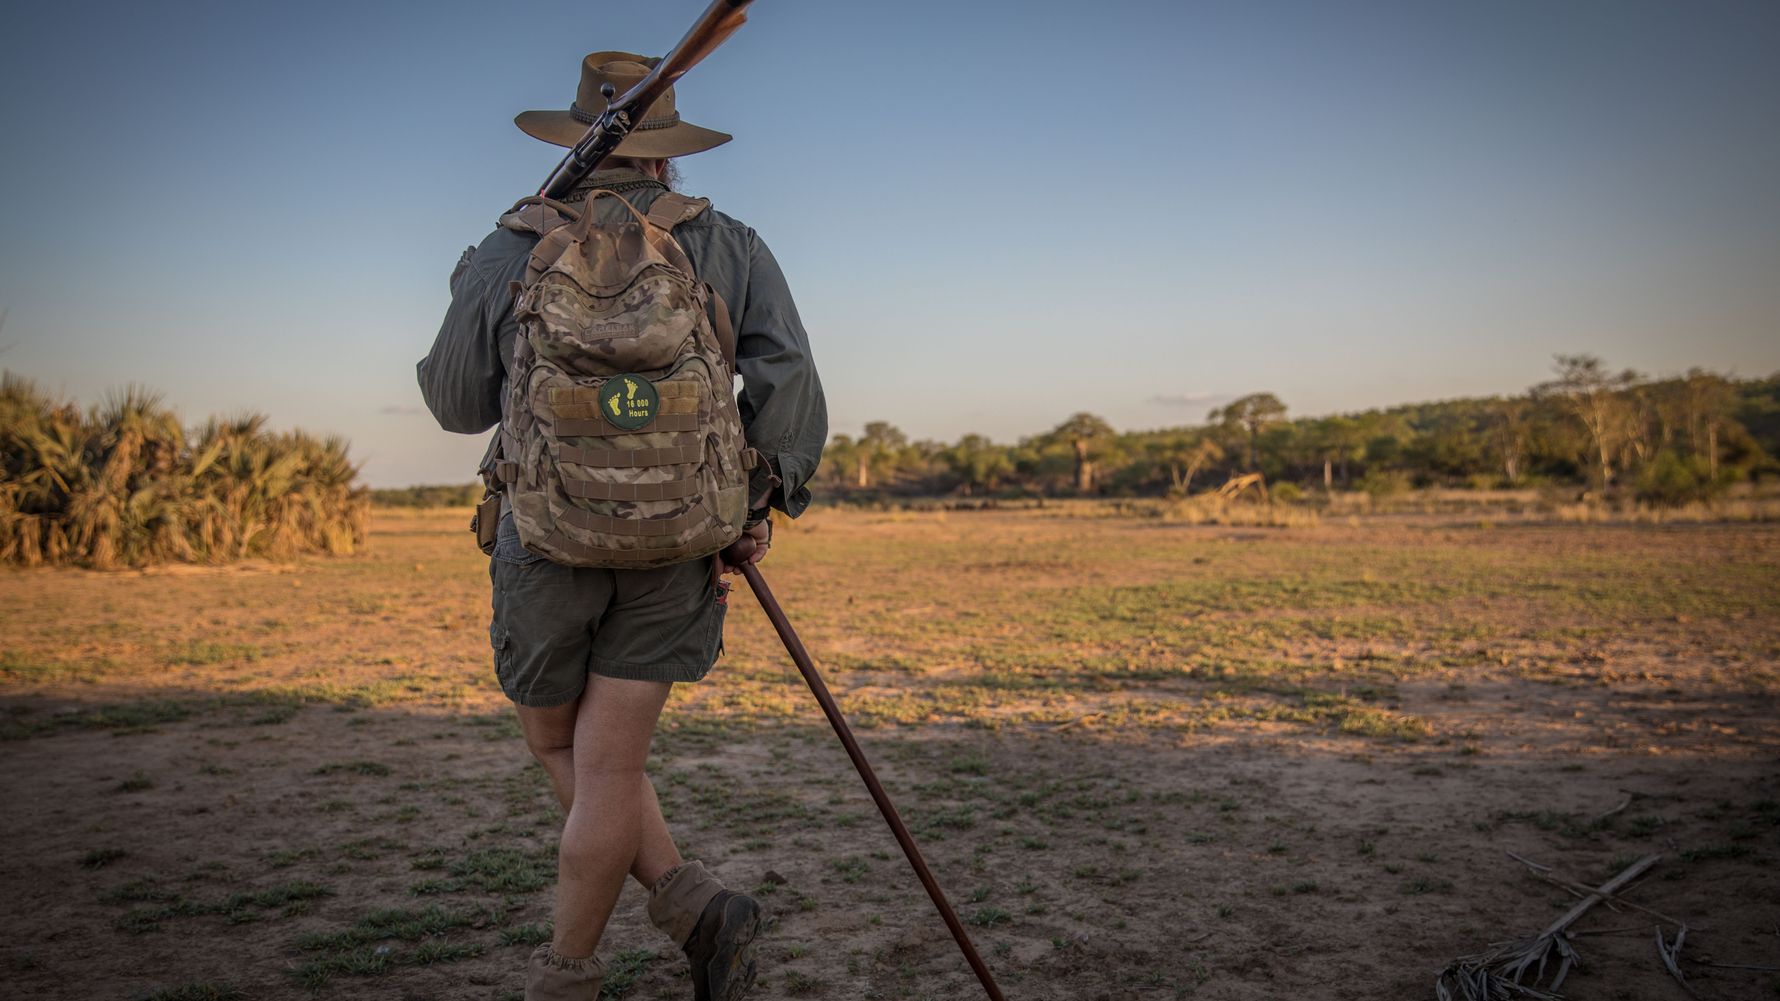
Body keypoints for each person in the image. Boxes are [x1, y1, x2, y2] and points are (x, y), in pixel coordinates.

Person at [417, 51, 827, 1001]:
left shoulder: (511, 244)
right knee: (608, 764)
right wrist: (756, 502)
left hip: (542, 539)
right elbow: (789, 383)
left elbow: (453, 403)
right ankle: (691, 904)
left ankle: (568, 976)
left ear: (577, 140)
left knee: (567, 754)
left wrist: (476, 283)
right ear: (666, 159)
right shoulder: (729, 243)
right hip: (681, 542)